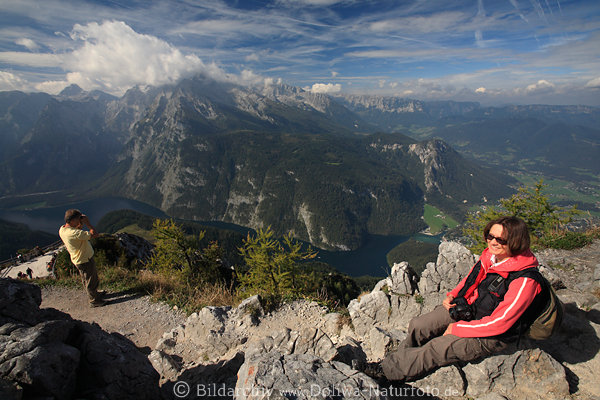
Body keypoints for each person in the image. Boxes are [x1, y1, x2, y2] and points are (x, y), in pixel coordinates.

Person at [375, 216, 543, 382]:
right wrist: (453, 295)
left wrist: (458, 328)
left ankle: (386, 372)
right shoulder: (491, 257)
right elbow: (471, 279)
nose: (492, 242)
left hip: (493, 335)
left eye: (501, 239)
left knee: (436, 347)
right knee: (418, 325)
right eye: (490, 236)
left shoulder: (525, 280)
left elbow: (500, 323)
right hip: (471, 309)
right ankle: (400, 360)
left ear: (516, 241)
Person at [58, 209, 107, 307]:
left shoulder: (63, 229)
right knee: (90, 280)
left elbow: (77, 232)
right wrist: (88, 224)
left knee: (89, 278)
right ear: (72, 220)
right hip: (84, 259)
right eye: (78, 219)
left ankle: (95, 294)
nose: (80, 221)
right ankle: (94, 301)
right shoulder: (75, 233)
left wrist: (79, 224)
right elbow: (95, 234)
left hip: (79, 259)